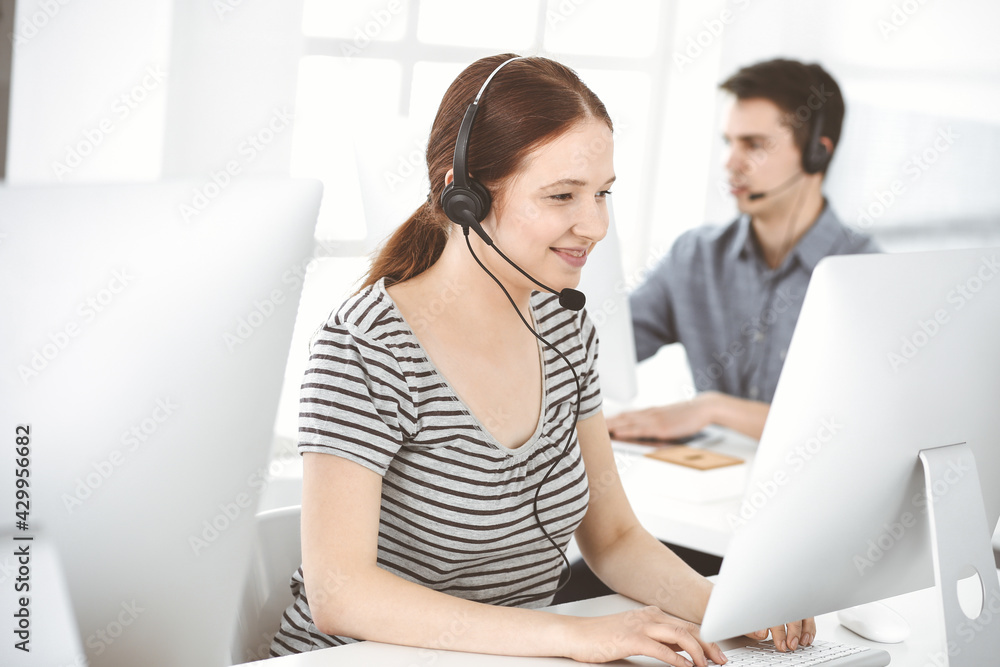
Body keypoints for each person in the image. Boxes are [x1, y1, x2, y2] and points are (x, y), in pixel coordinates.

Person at [270, 54, 812, 665]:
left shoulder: (564, 322)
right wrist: (574, 636)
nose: (595, 225)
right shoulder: (366, 348)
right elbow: (342, 596)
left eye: (602, 194)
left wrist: (731, 608)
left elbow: (612, 537)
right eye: (562, 196)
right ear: (464, 196)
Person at [607, 58, 879, 444]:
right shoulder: (695, 256)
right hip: (709, 481)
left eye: (754, 145)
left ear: (817, 153)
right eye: (728, 143)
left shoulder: (868, 277)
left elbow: (860, 426)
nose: (730, 163)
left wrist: (712, 408)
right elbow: (601, 352)